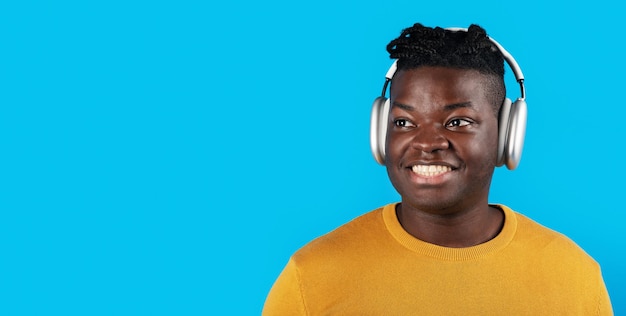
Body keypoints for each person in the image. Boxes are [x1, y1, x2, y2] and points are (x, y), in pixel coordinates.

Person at [262, 23, 613, 315]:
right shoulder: (311, 278)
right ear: (379, 132)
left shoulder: (573, 278)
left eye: (458, 121)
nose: (427, 142)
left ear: (506, 135)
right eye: (403, 121)